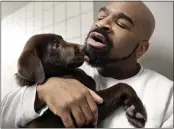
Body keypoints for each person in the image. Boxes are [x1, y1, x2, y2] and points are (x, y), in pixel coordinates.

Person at [1, 1, 173, 128]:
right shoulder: (68, 71)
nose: (103, 24)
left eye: (121, 24)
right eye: (101, 16)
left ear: (141, 49)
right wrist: (42, 91)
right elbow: (3, 116)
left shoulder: (166, 93)